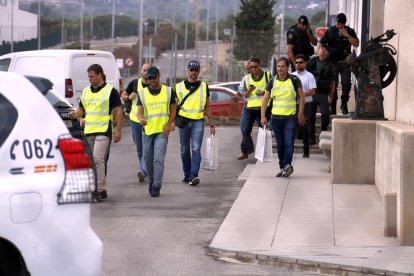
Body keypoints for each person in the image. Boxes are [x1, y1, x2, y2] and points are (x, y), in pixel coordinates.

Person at [69, 64, 123, 201]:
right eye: (88, 76)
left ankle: (99, 189)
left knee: (98, 158)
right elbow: (82, 109)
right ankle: (97, 188)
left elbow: (118, 111)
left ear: (100, 75)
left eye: (91, 76)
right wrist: (75, 114)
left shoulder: (111, 91)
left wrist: (118, 131)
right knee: (90, 160)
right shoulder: (86, 91)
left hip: (104, 130)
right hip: (89, 130)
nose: (89, 79)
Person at [260, 57, 306, 177]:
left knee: (289, 142)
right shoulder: (272, 81)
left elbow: (302, 97)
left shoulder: (294, 79)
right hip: (276, 118)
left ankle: (287, 165)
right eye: (278, 66)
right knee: (280, 145)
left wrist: (300, 113)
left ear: (287, 67)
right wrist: (263, 116)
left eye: (282, 66)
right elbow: (265, 99)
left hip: (290, 118)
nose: (280, 68)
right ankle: (282, 167)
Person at [136, 66, 176, 197]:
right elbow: (139, 111)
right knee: (147, 159)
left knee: (158, 159)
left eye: (153, 77)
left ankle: (157, 185)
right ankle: (152, 180)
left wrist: (169, 125)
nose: (151, 80)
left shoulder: (169, 91)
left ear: (159, 77)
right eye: (149, 78)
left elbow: (173, 110)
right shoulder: (142, 93)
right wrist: (141, 119)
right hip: (147, 131)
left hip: (162, 131)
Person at [175, 60, 215, 186]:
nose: (193, 72)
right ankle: (187, 175)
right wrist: (171, 122)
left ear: (199, 71)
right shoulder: (179, 86)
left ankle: (194, 176)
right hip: (184, 122)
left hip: (198, 121)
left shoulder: (204, 86)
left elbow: (208, 106)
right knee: (184, 150)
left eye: (196, 70)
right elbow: (174, 106)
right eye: (191, 70)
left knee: (196, 149)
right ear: (187, 71)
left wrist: (212, 124)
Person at [319, 13, 359, 115]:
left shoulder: (349, 31)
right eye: (338, 23)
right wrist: (321, 54)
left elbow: (356, 43)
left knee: (346, 84)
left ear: (344, 23)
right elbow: (321, 44)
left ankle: (344, 104)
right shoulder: (330, 31)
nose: (339, 25)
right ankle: (332, 107)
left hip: (345, 62)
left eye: (341, 24)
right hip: (332, 62)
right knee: (333, 84)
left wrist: (347, 35)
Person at [121, 63, 152, 183]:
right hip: (135, 121)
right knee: (140, 148)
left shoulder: (154, 84)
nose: (146, 72)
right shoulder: (134, 83)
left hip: (150, 121)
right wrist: (129, 97)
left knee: (147, 148)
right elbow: (123, 95)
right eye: (144, 70)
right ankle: (144, 170)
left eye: (148, 70)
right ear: (141, 71)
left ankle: (143, 171)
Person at [238, 57, 271, 160]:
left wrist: (263, 92)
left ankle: (263, 152)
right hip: (250, 108)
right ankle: (245, 151)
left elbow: (273, 90)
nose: (253, 69)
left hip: (264, 107)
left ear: (259, 66)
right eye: (251, 67)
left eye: (255, 67)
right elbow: (244, 96)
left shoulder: (268, 75)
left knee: (263, 130)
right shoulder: (246, 78)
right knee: (245, 129)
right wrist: (249, 91)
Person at [307, 44, 336, 145]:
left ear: (328, 52)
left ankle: (323, 131)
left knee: (325, 115)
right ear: (318, 51)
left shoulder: (330, 64)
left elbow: (333, 81)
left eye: (325, 49)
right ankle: (311, 136)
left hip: (323, 93)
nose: (322, 50)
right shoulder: (312, 61)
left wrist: (331, 95)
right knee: (310, 116)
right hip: (311, 92)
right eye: (321, 48)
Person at [291, 54, 316, 157]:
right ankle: (290, 150)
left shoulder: (309, 76)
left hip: (306, 104)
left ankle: (306, 151)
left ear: (305, 63)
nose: (298, 64)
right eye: (296, 62)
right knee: (292, 127)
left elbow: (312, 91)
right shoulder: (291, 75)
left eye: (301, 62)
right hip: (293, 104)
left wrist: (301, 94)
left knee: (304, 126)